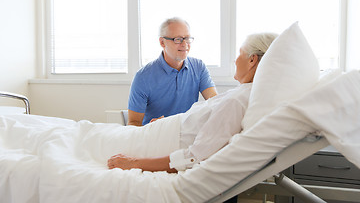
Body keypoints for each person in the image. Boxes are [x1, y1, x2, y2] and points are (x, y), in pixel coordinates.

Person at [108, 32, 279, 172]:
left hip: (167, 138)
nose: (235, 60)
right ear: (162, 42)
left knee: (96, 142)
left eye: (239, 54)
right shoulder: (243, 93)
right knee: (99, 137)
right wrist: (165, 123)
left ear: (252, 60)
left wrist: (134, 163)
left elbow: (193, 157)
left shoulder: (236, 100)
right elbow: (205, 121)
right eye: (177, 39)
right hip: (161, 129)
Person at [127, 17, 217, 126]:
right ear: (162, 42)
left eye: (187, 38)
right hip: (155, 137)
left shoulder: (198, 67)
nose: (185, 44)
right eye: (178, 39)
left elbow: (215, 103)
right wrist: (153, 127)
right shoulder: (143, 77)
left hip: (186, 135)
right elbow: (133, 123)